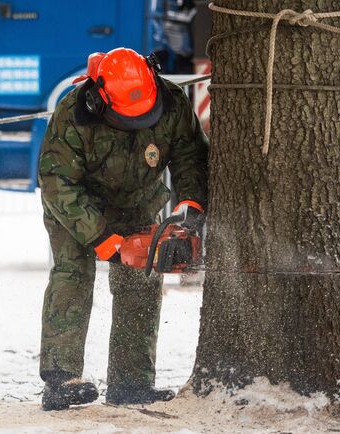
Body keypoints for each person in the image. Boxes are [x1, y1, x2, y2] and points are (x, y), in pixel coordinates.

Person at [37, 48, 208, 410]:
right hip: (75, 205)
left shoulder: (171, 101)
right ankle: (60, 379)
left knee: (142, 280)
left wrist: (189, 206)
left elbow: (191, 154)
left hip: (137, 200)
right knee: (73, 273)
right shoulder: (73, 113)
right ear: (100, 100)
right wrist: (106, 242)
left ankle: (131, 383)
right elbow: (57, 182)